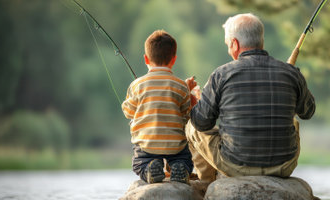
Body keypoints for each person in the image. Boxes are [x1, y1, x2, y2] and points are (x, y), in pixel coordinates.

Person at [186, 13, 316, 183]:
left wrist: (196, 103)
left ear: (235, 44)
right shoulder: (291, 73)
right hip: (283, 166)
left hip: (235, 165)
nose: (228, 49)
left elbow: (202, 123)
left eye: (228, 44)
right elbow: (308, 112)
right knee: (294, 121)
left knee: (191, 127)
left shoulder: (221, 75)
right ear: (260, 39)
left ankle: (206, 183)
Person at [122, 30, 197, 184]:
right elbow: (186, 114)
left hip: (147, 146)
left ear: (145, 59)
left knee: (139, 162)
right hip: (175, 146)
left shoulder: (137, 85)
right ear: (174, 59)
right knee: (185, 159)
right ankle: (180, 167)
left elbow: (128, 112)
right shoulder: (181, 86)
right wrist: (188, 92)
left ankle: (148, 168)